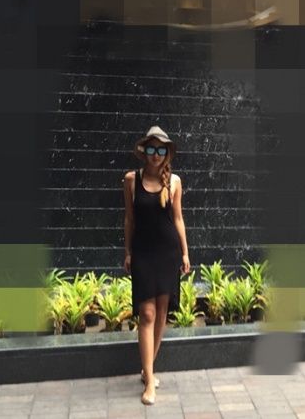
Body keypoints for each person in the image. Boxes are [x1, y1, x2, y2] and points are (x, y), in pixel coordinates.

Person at [122, 125, 191, 405]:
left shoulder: (174, 182)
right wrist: (128, 252)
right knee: (147, 313)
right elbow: (129, 219)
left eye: (160, 150)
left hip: (168, 252)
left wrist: (185, 253)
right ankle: (150, 382)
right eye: (151, 148)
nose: (155, 154)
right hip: (143, 253)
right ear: (144, 151)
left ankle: (147, 369)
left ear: (166, 153)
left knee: (162, 312)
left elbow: (178, 219)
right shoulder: (131, 180)